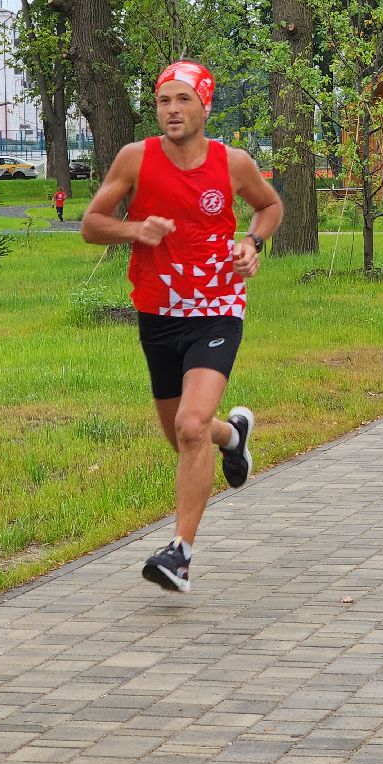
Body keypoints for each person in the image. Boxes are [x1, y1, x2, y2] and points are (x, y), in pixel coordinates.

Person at [81, 59, 283, 593]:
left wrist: (252, 243)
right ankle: (232, 436)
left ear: (205, 105)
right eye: (164, 101)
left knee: (190, 426)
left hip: (217, 307)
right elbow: (91, 225)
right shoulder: (136, 158)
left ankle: (180, 554)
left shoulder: (231, 162)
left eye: (183, 99)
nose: (172, 110)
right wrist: (134, 229)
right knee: (182, 435)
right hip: (157, 311)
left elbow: (269, 206)